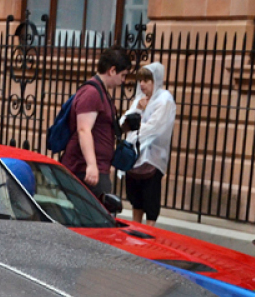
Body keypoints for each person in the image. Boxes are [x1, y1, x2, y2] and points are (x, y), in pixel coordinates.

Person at [61, 47, 131, 200]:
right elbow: (84, 129)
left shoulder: (102, 92)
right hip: (84, 169)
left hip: (96, 169)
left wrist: (126, 127)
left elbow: (102, 128)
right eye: (123, 75)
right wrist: (91, 165)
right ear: (112, 70)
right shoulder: (92, 93)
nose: (124, 81)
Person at [120, 61, 174, 224]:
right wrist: (138, 109)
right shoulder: (140, 99)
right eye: (140, 80)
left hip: (152, 158)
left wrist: (136, 124)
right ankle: (136, 228)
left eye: (146, 80)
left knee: (150, 201)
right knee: (136, 200)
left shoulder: (164, 100)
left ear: (155, 81)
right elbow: (124, 122)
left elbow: (155, 128)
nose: (142, 84)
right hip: (135, 157)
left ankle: (149, 232)